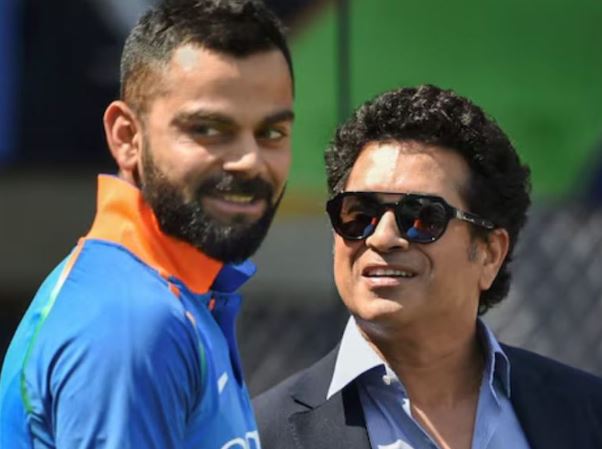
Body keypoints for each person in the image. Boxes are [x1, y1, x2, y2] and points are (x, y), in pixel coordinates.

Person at [0, 0, 294, 447]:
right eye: (208, 129)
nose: (249, 161)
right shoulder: (132, 323)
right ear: (126, 138)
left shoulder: (165, 297)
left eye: (271, 133)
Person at [254, 85, 602, 449]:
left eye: (421, 217)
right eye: (359, 214)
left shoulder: (586, 414)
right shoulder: (262, 436)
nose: (382, 238)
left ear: (489, 253)